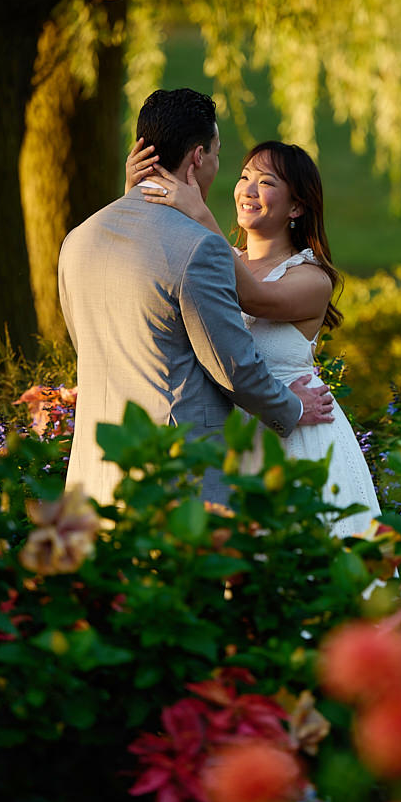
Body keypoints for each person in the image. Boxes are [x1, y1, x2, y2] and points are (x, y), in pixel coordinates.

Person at [58, 89, 335, 507]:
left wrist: (134, 194)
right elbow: (232, 365)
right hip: (175, 471)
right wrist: (291, 409)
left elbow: (92, 344)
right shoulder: (199, 248)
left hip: (95, 469)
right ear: (198, 158)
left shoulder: (80, 240)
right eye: (224, 158)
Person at [125, 136, 381, 539]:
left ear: (296, 207)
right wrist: (137, 192)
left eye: (266, 182)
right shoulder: (214, 256)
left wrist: (201, 218)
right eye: (245, 176)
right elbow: (150, 266)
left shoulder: (312, 280)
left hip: (298, 434)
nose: (248, 189)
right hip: (229, 437)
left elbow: (253, 297)